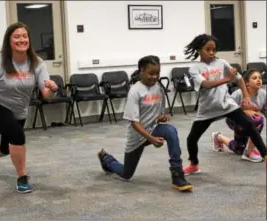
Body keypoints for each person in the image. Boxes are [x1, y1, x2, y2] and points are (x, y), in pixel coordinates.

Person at [97, 55, 193, 192]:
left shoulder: (158, 87)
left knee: (171, 131)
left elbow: (156, 114)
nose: (154, 77)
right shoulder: (135, 91)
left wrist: (161, 118)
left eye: (157, 73)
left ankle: (177, 176)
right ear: (142, 71)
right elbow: (134, 123)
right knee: (126, 173)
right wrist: (152, 139)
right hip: (138, 136)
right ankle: (106, 159)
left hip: (153, 129)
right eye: (151, 73)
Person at [182, 34, 267, 175]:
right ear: (198, 49)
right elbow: (206, 84)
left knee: (250, 125)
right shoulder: (195, 68)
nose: (211, 53)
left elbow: (239, 78)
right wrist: (227, 78)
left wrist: (246, 96)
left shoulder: (221, 63)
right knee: (192, 139)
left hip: (227, 105)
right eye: (207, 49)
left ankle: (264, 154)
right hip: (208, 109)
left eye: (214, 49)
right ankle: (194, 165)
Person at [0, 22, 58, 193]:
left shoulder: (37, 63)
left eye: (24, 36)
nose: (22, 40)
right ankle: (22, 178)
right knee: (17, 135)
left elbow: (46, 94)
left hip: (19, 109)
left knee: (7, 146)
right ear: (9, 41)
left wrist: (52, 89)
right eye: (17, 37)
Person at [212, 69, 266, 162]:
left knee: (239, 149)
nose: (258, 80)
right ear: (247, 83)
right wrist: (245, 111)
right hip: (234, 120)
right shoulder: (238, 94)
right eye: (254, 78)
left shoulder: (263, 94)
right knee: (258, 119)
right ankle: (249, 152)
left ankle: (218, 137)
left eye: (260, 78)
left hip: (249, 122)